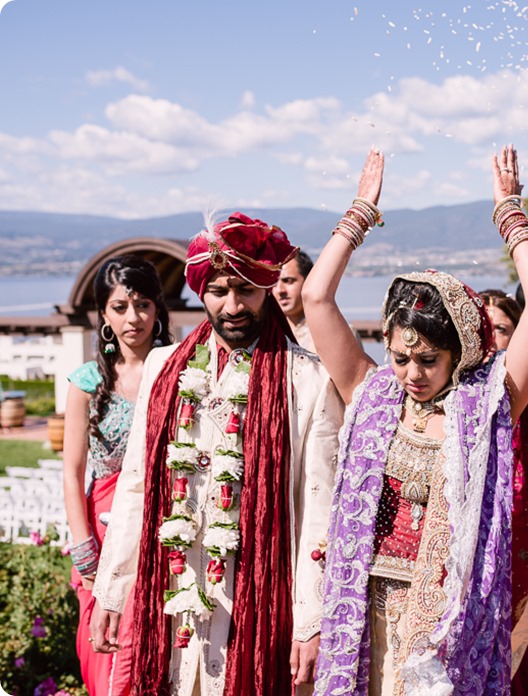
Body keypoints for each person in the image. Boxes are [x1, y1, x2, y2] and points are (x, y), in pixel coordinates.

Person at [306, 146, 528, 695]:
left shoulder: (486, 409)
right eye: (400, 357)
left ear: (459, 354)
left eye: (428, 360)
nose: (411, 373)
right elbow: (315, 297)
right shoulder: (371, 393)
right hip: (364, 613)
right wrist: (359, 213)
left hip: (446, 624)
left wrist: (510, 211)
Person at [89, 213, 345, 695]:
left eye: (246, 290)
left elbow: (318, 508)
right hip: (175, 592)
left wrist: (311, 620)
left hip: (259, 596)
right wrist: (111, 590)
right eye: (219, 290)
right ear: (201, 292)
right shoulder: (165, 368)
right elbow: (138, 485)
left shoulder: (307, 379)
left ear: (267, 290)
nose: (233, 305)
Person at [62, 255, 172, 696]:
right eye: (121, 307)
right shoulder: (87, 381)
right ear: (104, 316)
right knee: (105, 653)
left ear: (158, 310)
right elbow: (71, 472)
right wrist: (84, 549)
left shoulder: (179, 370)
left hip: (161, 528)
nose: (134, 317)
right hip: (102, 536)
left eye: (143, 304)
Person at [478, 289, 528, 695]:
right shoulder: (455, 384)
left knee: (520, 622)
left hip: (518, 520)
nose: (493, 338)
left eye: (503, 329)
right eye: (485, 328)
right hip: (468, 523)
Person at [273, 251, 316, 349]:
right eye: (274, 282)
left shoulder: (331, 330)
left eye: (288, 281)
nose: (280, 290)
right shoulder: (267, 334)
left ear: (308, 281)